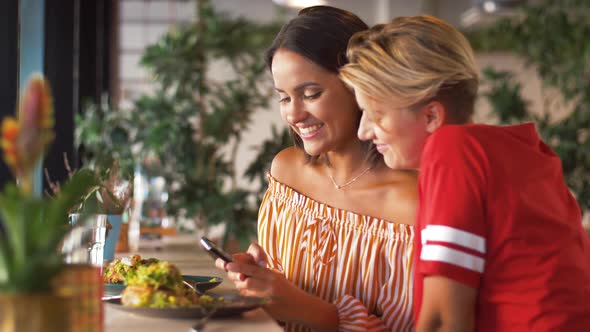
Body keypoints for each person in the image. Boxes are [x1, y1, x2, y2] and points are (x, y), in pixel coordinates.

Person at [339, 14, 590, 332]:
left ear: (431, 115)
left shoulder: (451, 150)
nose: (363, 132)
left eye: (375, 115)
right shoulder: (524, 152)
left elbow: (447, 320)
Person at [215, 6, 417, 332]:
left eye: (310, 94)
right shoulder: (286, 174)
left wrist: (314, 311)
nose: (294, 115)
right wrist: (260, 276)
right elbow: (280, 299)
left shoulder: (410, 204)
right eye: (283, 98)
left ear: (359, 88)